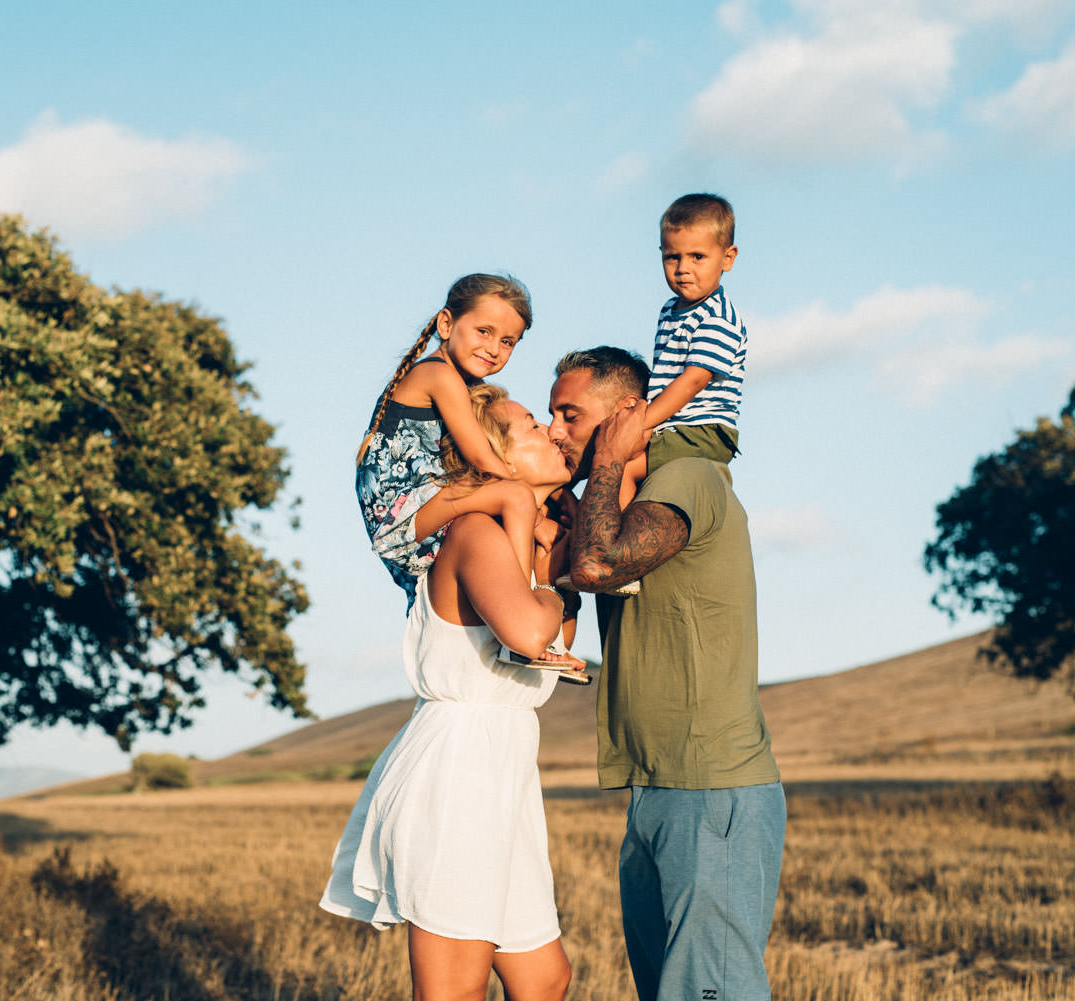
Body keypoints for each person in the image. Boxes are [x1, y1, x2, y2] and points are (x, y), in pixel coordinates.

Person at [322, 384, 581, 1001]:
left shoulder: (527, 546)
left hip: (504, 772)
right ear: (499, 460)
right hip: (459, 773)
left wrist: (551, 567)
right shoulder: (474, 533)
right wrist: (554, 591)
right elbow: (529, 630)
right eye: (530, 427)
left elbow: (550, 647)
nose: (551, 430)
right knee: (453, 992)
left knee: (545, 979)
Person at [548, 346, 784, 1001]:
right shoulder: (614, 501)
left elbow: (597, 566)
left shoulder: (688, 478)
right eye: (550, 416)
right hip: (654, 788)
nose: (554, 430)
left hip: (710, 789)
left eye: (570, 414)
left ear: (626, 414)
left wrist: (607, 459)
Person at [356, 274, 540, 612]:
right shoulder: (439, 375)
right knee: (517, 498)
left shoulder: (456, 381)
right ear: (446, 323)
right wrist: (519, 487)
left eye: (508, 341)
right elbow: (480, 456)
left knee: (531, 516)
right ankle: (522, 608)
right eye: (484, 331)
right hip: (402, 517)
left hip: (417, 512)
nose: (494, 348)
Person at [615, 193, 747, 517]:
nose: (683, 268)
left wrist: (643, 423)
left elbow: (691, 382)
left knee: (625, 465)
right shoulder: (670, 310)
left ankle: (613, 547)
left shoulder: (719, 318)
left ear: (727, 258)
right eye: (672, 257)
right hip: (674, 424)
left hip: (704, 429)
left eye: (697, 257)